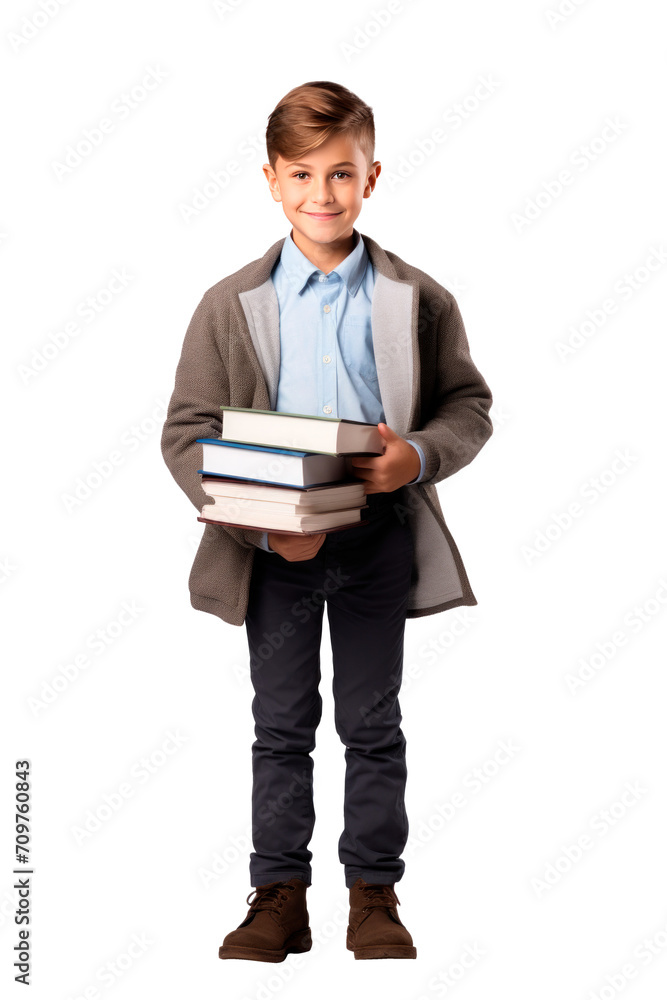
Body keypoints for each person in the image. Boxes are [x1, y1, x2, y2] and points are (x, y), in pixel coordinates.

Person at [161, 80, 493, 962]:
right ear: (270, 180)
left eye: (340, 174)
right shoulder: (230, 304)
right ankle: (278, 895)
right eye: (302, 174)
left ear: (371, 177)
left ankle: (373, 895)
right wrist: (267, 527)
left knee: (371, 719)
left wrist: (414, 455)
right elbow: (187, 434)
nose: (321, 194)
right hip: (271, 550)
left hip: (376, 538)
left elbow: (468, 405)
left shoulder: (416, 298)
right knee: (280, 725)